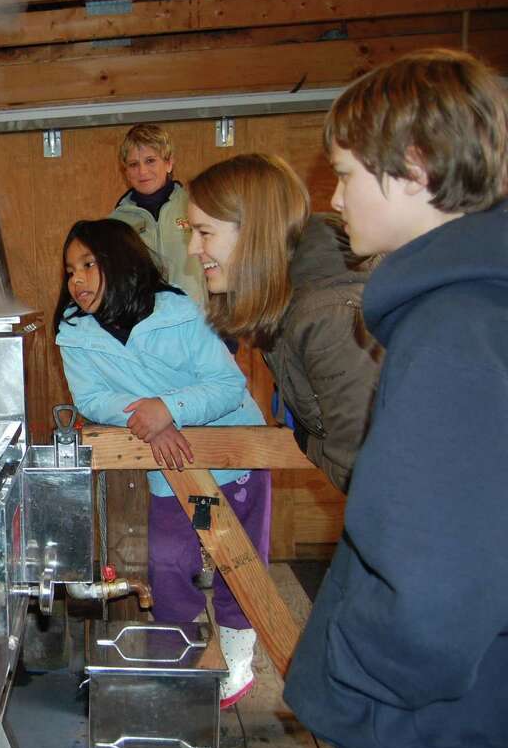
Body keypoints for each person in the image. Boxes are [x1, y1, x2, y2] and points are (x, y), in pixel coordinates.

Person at [282, 49, 508, 748]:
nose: (336, 200)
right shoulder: (473, 309)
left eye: (345, 174)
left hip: (431, 736)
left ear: (414, 166)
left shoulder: (454, 330)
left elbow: (435, 595)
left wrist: (352, 666)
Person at [54, 218, 270, 707]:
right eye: (70, 270)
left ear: (123, 264)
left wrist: (168, 409)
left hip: (232, 456)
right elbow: (92, 397)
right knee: (170, 558)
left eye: (89, 265)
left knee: (240, 561)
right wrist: (153, 418)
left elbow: (227, 385)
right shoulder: (75, 334)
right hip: (168, 464)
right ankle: (181, 647)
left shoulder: (177, 313)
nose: (77, 280)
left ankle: (237, 654)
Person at [185, 153, 383, 493]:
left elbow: (373, 477)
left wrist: (308, 440)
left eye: (204, 233)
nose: (192, 249)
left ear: (253, 233)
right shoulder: (286, 309)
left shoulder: (328, 318)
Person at [108, 123, 207, 304]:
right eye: (133, 164)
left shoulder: (197, 206)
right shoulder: (115, 224)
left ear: (169, 163)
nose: (142, 171)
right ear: (126, 172)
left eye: (150, 160)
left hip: (195, 321)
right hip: (146, 325)